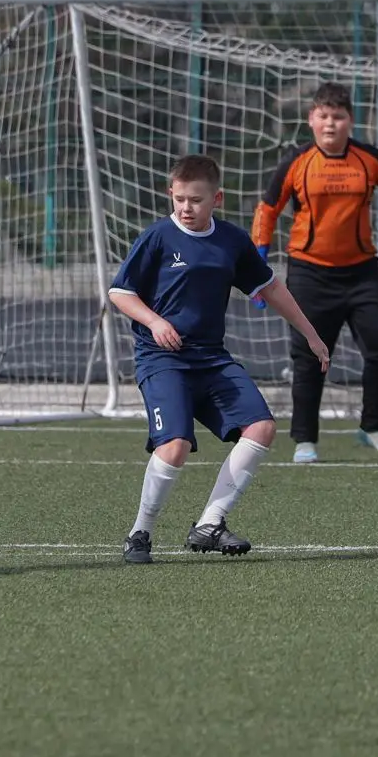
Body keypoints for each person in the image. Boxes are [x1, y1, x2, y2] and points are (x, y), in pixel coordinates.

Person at [109, 154, 330, 565]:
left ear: (217, 199)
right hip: (163, 360)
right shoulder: (157, 237)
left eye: (195, 200)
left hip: (211, 360)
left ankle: (210, 523)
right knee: (174, 446)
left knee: (261, 427)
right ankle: (140, 533)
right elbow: (120, 292)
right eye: (179, 199)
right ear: (170, 194)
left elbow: (271, 288)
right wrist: (155, 321)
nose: (185, 208)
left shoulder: (231, 240)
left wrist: (312, 335)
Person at [252, 82, 378, 464]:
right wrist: (257, 263)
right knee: (309, 357)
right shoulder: (297, 162)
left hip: (362, 273)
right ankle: (305, 441)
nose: (331, 123)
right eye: (324, 116)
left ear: (350, 121)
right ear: (311, 120)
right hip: (309, 273)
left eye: (339, 116)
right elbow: (267, 209)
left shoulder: (368, 159)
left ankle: (372, 427)